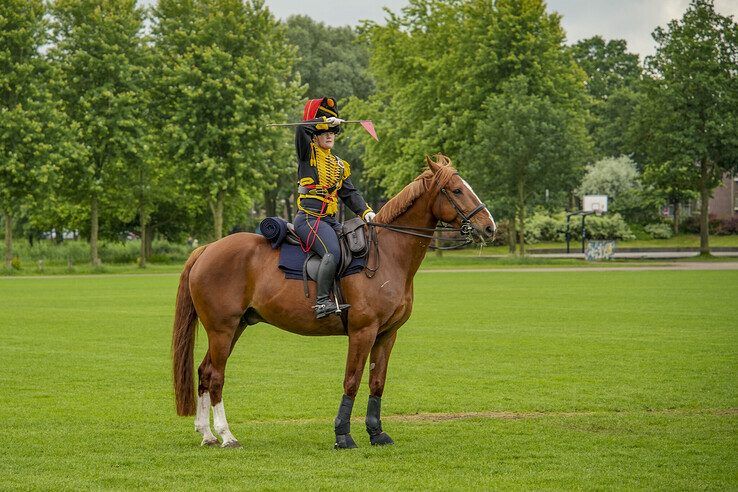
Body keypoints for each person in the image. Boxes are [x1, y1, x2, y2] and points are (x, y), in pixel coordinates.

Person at [294, 97, 376, 319]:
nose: (330, 135)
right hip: (310, 219)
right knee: (332, 251)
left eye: (333, 131)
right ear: (316, 135)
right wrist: (321, 119)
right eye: (324, 131)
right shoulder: (307, 154)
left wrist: (367, 212)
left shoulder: (340, 165)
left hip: (330, 220)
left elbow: (349, 193)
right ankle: (322, 303)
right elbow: (302, 130)